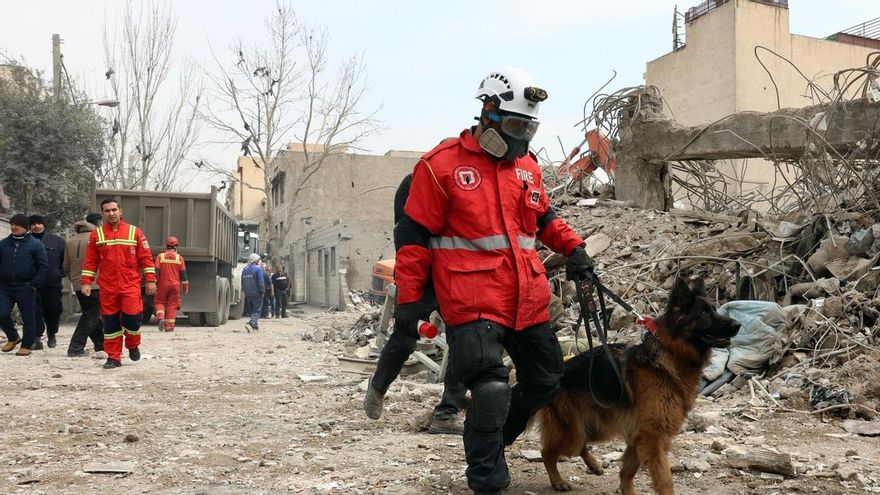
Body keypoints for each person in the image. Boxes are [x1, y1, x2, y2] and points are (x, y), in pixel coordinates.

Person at [392, 67, 594, 494]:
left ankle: (494, 442)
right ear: (488, 113)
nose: (522, 138)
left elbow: (543, 219)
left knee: (546, 380)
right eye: (517, 125)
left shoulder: (527, 168)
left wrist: (574, 249)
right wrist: (411, 300)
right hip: (471, 298)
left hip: (526, 296)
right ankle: (486, 478)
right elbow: (411, 236)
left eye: (530, 127)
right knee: (490, 389)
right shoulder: (440, 166)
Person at [363, 173, 469, 435]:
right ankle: (378, 386)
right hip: (421, 274)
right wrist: (410, 296)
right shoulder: (413, 185)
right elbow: (409, 249)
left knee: (464, 338)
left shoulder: (468, 186)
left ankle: (447, 412)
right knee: (406, 334)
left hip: (455, 275)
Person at [81, 199, 157, 369]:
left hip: (130, 285)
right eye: (107, 211)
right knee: (110, 323)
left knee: (132, 318)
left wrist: (151, 280)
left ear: (120, 211)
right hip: (108, 287)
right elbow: (90, 261)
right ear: (103, 213)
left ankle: (132, 344)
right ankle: (114, 357)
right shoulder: (97, 235)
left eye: (114, 209)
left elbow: (146, 258)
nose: (111, 213)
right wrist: (86, 282)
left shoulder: (134, 232)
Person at [0, 214, 49, 356]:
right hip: (4, 286)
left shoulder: (35, 244)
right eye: (12, 224)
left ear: (26, 227)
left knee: (28, 317)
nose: (14, 227)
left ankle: (26, 345)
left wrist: (35, 284)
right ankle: (13, 337)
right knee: (2, 313)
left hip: (26, 286)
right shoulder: (3, 244)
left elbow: (43, 266)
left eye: (17, 224)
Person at [63, 213, 105, 357]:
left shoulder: (70, 241)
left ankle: (101, 345)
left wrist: (75, 280)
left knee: (91, 314)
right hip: (95, 283)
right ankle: (75, 347)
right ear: (98, 224)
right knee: (91, 315)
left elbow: (66, 266)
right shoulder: (98, 238)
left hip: (78, 284)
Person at [30, 214, 66, 349]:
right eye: (33, 224)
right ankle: (36, 338)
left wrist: (58, 274)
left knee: (53, 310)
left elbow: (65, 260)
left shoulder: (57, 241)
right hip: (33, 284)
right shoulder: (26, 241)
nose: (36, 226)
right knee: (35, 311)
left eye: (39, 223)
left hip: (53, 283)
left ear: (44, 224)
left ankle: (52, 335)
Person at [154, 236, 189, 332]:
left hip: (162, 285)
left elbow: (156, 271)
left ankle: (161, 317)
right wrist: (185, 286)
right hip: (175, 285)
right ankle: (169, 327)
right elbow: (183, 274)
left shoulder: (160, 257)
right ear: (176, 246)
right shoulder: (179, 258)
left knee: (159, 302)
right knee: (172, 305)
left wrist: (153, 282)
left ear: (166, 245)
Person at [241, 253, 265, 332]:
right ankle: (252, 322)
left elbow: (242, 282)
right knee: (257, 310)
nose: (259, 261)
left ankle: (255, 327)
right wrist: (262, 291)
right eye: (258, 260)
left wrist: (245, 291)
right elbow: (260, 282)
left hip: (248, 293)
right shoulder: (258, 269)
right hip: (257, 293)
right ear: (255, 260)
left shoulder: (244, 270)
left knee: (252, 310)